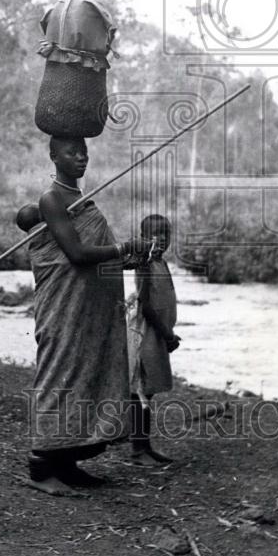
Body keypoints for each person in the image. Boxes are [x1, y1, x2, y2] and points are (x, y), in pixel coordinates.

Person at [26, 136, 147, 495]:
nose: (80, 158)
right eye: (70, 153)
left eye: (84, 152)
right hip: (63, 304)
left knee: (85, 373)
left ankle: (68, 462)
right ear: (53, 156)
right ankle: (41, 466)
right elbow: (76, 254)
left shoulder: (80, 201)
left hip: (88, 307)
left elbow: (97, 253)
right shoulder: (52, 199)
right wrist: (121, 247)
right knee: (58, 372)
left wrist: (129, 257)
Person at [128, 214, 180, 466]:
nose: (160, 240)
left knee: (147, 393)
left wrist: (168, 331)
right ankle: (139, 449)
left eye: (165, 235)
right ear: (142, 237)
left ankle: (144, 446)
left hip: (156, 334)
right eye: (153, 235)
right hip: (145, 335)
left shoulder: (161, 263)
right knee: (140, 394)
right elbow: (145, 305)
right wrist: (166, 335)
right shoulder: (145, 262)